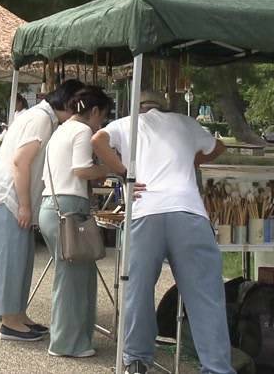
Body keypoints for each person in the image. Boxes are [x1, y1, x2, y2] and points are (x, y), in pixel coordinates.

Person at [91, 91, 232, 374]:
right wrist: (191, 162)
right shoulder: (185, 122)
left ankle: (137, 360)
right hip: (188, 209)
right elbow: (218, 146)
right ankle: (217, 367)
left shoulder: (128, 122)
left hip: (146, 210)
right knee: (205, 295)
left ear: (140, 107)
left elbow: (97, 140)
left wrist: (124, 172)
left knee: (138, 289)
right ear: (163, 107)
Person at [0, 79, 84, 342]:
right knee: (9, 259)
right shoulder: (40, 119)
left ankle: (19, 315)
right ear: (72, 104)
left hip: (12, 196)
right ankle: (9, 322)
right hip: (7, 196)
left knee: (21, 258)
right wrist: (25, 205)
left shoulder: (42, 117)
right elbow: (20, 162)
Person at [39, 86, 114, 357]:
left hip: (51, 206)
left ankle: (77, 339)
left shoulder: (60, 130)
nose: (100, 124)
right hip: (70, 209)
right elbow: (81, 169)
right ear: (93, 111)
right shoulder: (82, 131)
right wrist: (109, 168)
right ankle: (67, 343)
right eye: (102, 118)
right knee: (73, 280)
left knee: (74, 276)